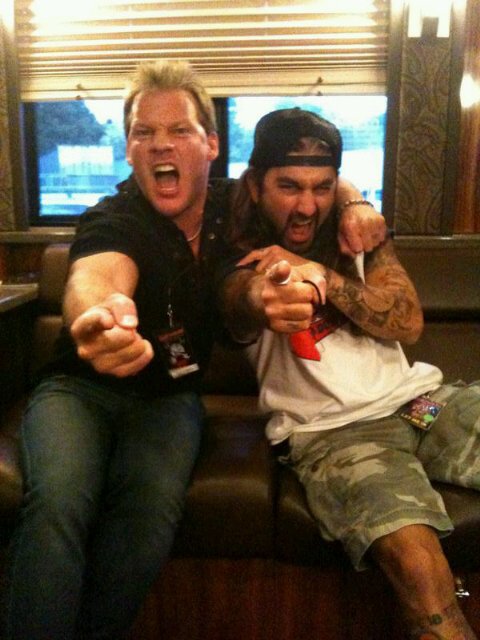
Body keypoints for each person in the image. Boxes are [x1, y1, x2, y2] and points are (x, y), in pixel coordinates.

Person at [1, 62, 386, 640]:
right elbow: (96, 276)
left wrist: (354, 201)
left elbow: (310, 185)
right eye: (143, 131)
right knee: (59, 502)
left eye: (179, 129)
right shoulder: (113, 217)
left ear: (210, 145)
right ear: (129, 150)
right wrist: (98, 315)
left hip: (171, 397)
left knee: (150, 516)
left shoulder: (238, 207)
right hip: (79, 390)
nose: (161, 143)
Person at [221, 107, 480, 639]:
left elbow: (407, 321)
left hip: (419, 406)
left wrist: (332, 257)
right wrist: (266, 295)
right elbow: (242, 301)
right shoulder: (236, 259)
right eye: (288, 186)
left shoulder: (358, 235)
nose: (306, 205)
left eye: (321, 187)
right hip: (336, 435)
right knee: (418, 567)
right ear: (254, 185)